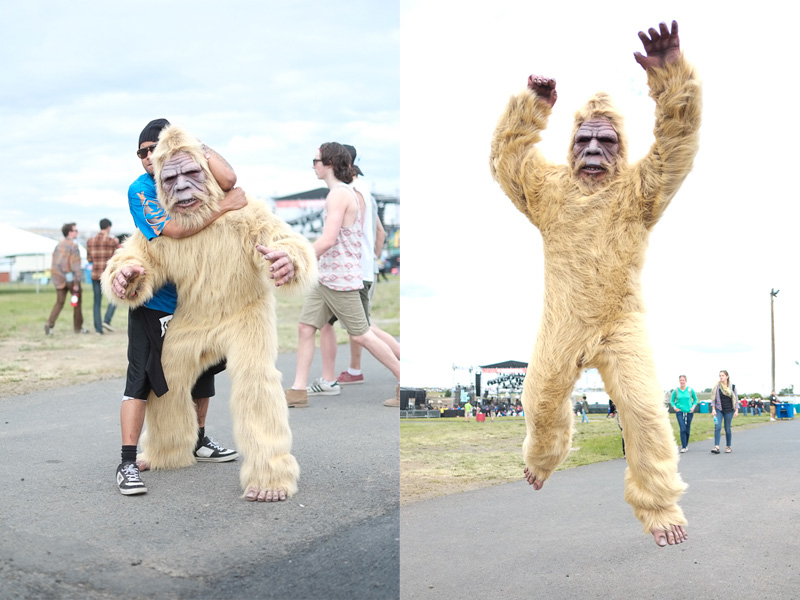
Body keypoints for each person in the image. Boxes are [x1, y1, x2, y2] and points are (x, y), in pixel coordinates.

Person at [490, 20, 699, 546]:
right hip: (563, 322)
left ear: (621, 147)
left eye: (606, 141)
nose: (592, 149)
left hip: (620, 321)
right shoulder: (548, 189)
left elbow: (677, 142)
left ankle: (657, 503)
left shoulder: (640, 189)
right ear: (570, 145)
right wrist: (531, 107)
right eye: (583, 139)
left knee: (646, 410)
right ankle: (544, 455)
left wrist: (671, 75)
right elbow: (507, 162)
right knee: (538, 402)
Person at [115, 118, 245, 496]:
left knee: (205, 370)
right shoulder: (141, 189)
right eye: (141, 153)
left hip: (197, 300)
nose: (147, 158)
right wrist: (223, 210)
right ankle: (126, 461)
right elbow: (173, 229)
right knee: (141, 379)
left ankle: (198, 439)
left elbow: (230, 180)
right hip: (156, 301)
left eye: (154, 149)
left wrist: (196, 146)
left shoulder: (192, 172)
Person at [284, 142, 400, 409]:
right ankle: (298, 391)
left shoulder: (339, 195)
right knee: (305, 328)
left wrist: (295, 260)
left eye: (315, 161)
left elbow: (326, 240)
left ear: (329, 164)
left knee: (361, 334)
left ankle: (403, 380)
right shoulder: (341, 193)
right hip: (325, 276)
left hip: (341, 278)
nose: (313, 165)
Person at [45, 223, 88, 335]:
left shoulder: (58, 245)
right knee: (77, 302)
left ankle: (49, 324)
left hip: (58, 278)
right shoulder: (74, 246)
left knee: (59, 302)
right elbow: (76, 265)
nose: (77, 232)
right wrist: (77, 282)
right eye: (75, 230)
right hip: (71, 279)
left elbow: (54, 263)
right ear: (70, 232)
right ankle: (78, 328)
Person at [86, 218, 121, 334]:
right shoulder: (112, 241)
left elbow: (89, 259)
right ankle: (107, 319)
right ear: (108, 227)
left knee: (97, 302)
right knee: (115, 297)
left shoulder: (90, 241)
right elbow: (118, 257)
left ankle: (98, 329)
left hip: (95, 274)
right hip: (108, 275)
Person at [710, 370, 738, 454]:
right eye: (720, 375)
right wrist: (713, 409)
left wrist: (736, 410)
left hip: (729, 410)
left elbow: (736, 399)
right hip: (719, 409)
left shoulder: (732, 387)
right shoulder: (717, 387)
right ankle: (716, 446)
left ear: (727, 376)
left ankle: (728, 446)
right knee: (717, 426)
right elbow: (713, 399)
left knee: (727, 428)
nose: (721, 377)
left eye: (722, 375)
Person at [670, 375, 698, 452]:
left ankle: (686, 444)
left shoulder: (690, 390)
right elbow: (672, 401)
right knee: (682, 428)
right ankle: (684, 446)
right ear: (679, 381)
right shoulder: (676, 391)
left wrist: (693, 407)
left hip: (689, 411)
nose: (682, 381)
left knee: (687, 429)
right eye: (681, 380)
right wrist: (675, 408)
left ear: (686, 381)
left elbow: (695, 400)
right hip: (680, 411)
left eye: (683, 380)